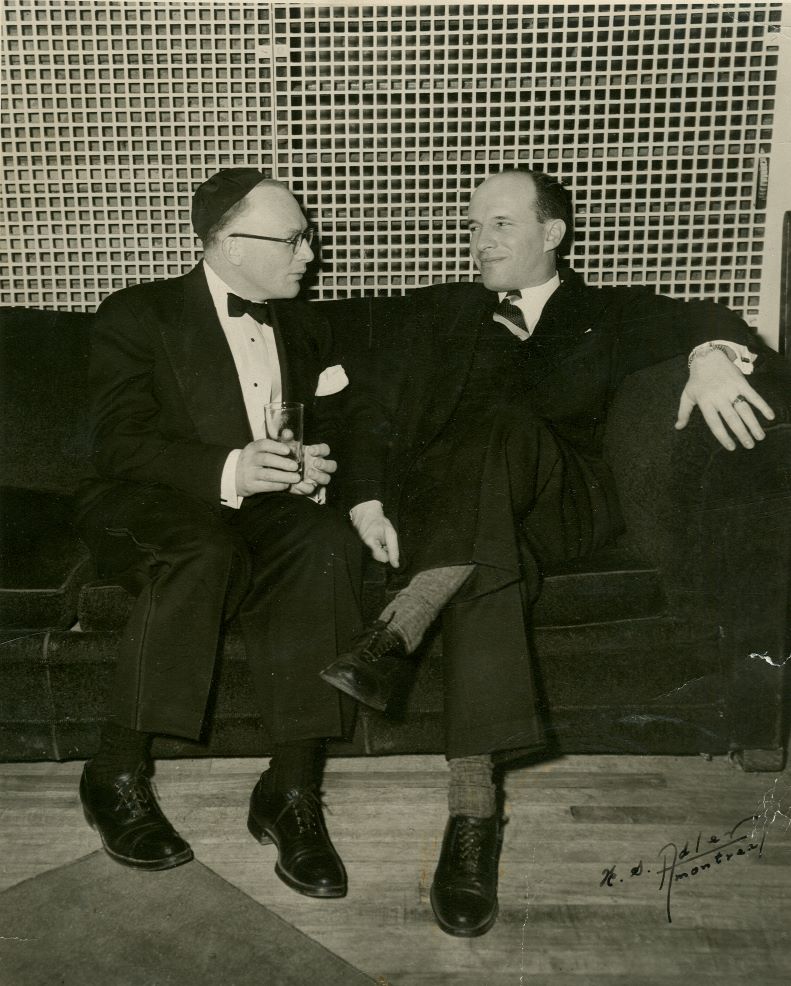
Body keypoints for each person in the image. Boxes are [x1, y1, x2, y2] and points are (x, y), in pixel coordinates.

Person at [319, 167, 777, 936]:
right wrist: (364, 498)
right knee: (483, 562)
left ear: (552, 233)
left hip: (562, 502)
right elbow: (367, 404)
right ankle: (472, 814)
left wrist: (707, 355)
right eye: (473, 227)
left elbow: (720, 319)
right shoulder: (439, 314)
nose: (479, 240)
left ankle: (399, 625)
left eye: (500, 223)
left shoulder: (608, 313)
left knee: (502, 429)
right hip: (464, 518)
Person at [75, 168, 365, 900]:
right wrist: (233, 467)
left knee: (323, 542)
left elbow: (334, 430)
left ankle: (290, 788)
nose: (311, 253)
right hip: (151, 501)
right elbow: (114, 443)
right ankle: (114, 771)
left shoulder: (304, 325)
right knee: (205, 550)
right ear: (231, 244)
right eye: (295, 239)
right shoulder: (138, 314)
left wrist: (313, 470)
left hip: (261, 505)